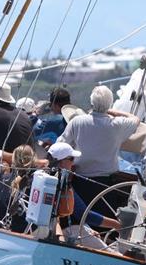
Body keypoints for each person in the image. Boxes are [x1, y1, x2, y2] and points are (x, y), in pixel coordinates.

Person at [57, 85, 139, 215]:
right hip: (105, 186)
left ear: (91, 102)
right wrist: (111, 111)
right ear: (110, 104)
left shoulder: (77, 122)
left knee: (79, 218)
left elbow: (60, 146)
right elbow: (135, 119)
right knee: (100, 222)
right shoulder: (117, 125)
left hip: (79, 181)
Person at [46, 142, 117, 250]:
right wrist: (117, 225)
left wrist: (87, 228)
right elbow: (83, 214)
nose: (73, 163)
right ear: (61, 162)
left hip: (59, 228)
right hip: (67, 231)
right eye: (71, 159)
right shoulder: (62, 183)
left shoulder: (44, 177)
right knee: (111, 254)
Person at [0, 144, 37, 233]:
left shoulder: (2, 178)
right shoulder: (36, 184)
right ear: (33, 160)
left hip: (0, 226)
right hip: (23, 231)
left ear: (13, 159)